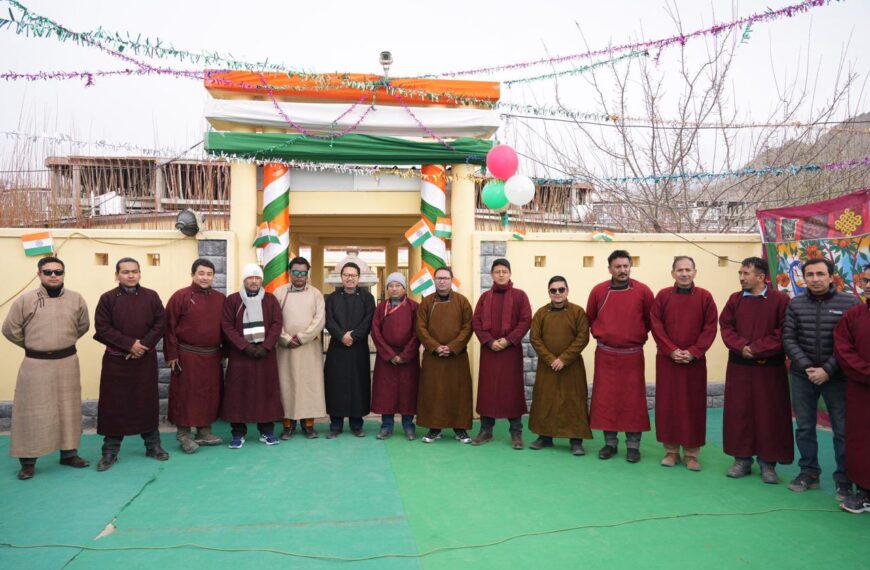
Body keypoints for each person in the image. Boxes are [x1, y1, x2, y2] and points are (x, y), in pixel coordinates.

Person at [2, 257, 90, 480]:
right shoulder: (24, 300)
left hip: (67, 362)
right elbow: (10, 329)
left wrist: (60, 343)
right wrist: (37, 346)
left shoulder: (76, 299)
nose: (53, 275)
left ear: (63, 274)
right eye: (48, 271)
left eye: (58, 272)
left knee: (68, 410)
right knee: (31, 412)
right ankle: (28, 462)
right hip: (35, 364)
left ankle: (69, 454)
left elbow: (83, 326)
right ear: (39, 274)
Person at [784, 257, 860, 500]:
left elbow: (850, 342)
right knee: (805, 427)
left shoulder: (850, 303)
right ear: (803, 278)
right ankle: (808, 472)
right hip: (802, 375)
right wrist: (807, 367)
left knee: (842, 429)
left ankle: (844, 480)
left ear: (831, 276)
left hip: (837, 377)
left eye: (820, 274)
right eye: (810, 275)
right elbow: (789, 338)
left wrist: (827, 369)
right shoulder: (795, 304)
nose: (815, 279)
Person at [719, 256, 793, 484]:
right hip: (740, 367)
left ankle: (768, 463)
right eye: (740, 273)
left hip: (769, 370)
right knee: (739, 413)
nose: (741, 278)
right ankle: (741, 460)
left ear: (761, 277)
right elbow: (726, 327)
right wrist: (742, 347)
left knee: (769, 414)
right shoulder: (734, 300)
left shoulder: (780, 300)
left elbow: (784, 331)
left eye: (745, 274)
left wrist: (757, 349)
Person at [93, 257, 168, 471]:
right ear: (117, 275)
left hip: (144, 360)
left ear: (140, 273)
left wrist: (141, 346)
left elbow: (161, 322)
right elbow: (103, 328)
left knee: (147, 403)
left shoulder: (151, 296)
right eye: (125, 272)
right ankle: (109, 452)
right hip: (116, 363)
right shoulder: (107, 299)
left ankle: (153, 446)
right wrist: (129, 345)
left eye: (134, 271)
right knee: (114, 406)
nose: (131, 275)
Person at [650, 256, 718, 471]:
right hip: (667, 362)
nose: (684, 274)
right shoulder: (662, 296)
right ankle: (670, 451)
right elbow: (656, 325)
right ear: (673, 273)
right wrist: (671, 350)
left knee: (693, 406)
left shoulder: (705, 297)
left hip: (694, 363)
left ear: (695, 272)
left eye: (688, 270)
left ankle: (691, 454)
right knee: (668, 406)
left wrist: (693, 352)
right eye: (680, 270)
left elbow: (710, 328)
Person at [586, 250, 654, 463]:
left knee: (633, 402)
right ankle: (610, 444)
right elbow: (590, 318)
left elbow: (650, 320)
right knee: (607, 400)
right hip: (606, 355)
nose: (622, 270)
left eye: (626, 266)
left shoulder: (643, 291)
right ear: (610, 269)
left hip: (632, 356)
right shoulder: (598, 291)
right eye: (618, 267)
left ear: (630, 267)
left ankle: (633, 446)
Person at [163, 258, 226, 454]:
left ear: (213, 276)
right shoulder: (180, 297)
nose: (205, 277)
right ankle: (184, 435)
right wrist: (172, 354)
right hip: (186, 356)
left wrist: (224, 353)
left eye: (209, 274)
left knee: (209, 394)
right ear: (193, 275)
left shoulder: (220, 299)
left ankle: (204, 432)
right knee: (185, 395)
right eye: (201, 273)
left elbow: (226, 328)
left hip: (212, 356)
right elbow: (169, 328)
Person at [220, 263, 284, 449]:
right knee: (238, 393)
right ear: (244, 280)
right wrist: (244, 347)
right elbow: (227, 326)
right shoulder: (233, 300)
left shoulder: (270, 300)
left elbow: (276, 324)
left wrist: (265, 346)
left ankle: (267, 431)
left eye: (257, 278)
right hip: (241, 355)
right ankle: (238, 433)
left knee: (266, 391)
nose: (254, 281)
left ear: (261, 280)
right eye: (250, 278)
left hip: (265, 355)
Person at [528, 276, 592, 456]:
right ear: (548, 292)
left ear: (567, 291)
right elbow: (535, 338)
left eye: (561, 289)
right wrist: (550, 359)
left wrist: (564, 358)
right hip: (547, 366)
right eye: (553, 290)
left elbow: (582, 337)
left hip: (571, 366)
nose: (557, 293)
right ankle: (544, 437)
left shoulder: (578, 312)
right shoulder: (541, 313)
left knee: (574, 401)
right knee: (545, 400)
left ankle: (576, 440)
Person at [472, 258, 532, 449]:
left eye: (504, 271)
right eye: (497, 271)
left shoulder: (520, 296)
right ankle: (486, 430)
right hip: (489, 351)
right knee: (487, 391)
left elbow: (525, 320)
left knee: (511, 391)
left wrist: (508, 340)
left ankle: (516, 433)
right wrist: (489, 341)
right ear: (491, 274)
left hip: (510, 351)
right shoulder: (484, 298)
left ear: (510, 274)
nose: (500, 274)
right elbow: (476, 322)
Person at [416, 266, 474, 444]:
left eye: (445, 278)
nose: (442, 281)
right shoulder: (426, 302)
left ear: (451, 280)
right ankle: (434, 428)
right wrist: (435, 346)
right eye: (438, 278)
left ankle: (460, 428)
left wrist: (452, 346)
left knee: (459, 392)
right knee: (434, 392)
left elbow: (468, 327)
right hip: (433, 357)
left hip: (457, 356)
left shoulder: (462, 302)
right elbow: (421, 328)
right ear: (434, 280)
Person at [274, 257, 327, 440]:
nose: (299, 276)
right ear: (290, 272)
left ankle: (309, 425)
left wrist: (302, 337)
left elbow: (319, 320)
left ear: (308, 273)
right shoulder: (279, 293)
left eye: (303, 273)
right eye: (295, 272)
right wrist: (286, 338)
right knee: (286, 384)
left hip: (308, 348)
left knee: (309, 385)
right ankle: (288, 425)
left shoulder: (316, 294)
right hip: (285, 348)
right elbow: (274, 320)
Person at [323, 262, 375, 438]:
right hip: (337, 348)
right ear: (341, 277)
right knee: (335, 385)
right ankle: (335, 425)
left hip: (358, 349)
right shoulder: (331, 298)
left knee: (357, 385)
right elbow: (329, 320)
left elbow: (369, 320)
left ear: (359, 278)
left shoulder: (367, 298)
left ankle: (356, 425)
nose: (350, 278)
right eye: (346, 275)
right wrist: (341, 336)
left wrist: (353, 336)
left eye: (353, 275)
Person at [834, 264, 870, 514]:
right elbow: (844, 350)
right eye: (866, 280)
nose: (868, 285)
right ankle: (864, 492)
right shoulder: (854, 316)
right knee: (861, 440)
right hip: (861, 391)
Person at [371, 272, 420, 440]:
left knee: (408, 391)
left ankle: (408, 425)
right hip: (386, 357)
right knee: (386, 392)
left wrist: (405, 354)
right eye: (391, 286)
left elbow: (417, 333)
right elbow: (375, 332)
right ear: (387, 288)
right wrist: (390, 354)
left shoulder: (414, 307)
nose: (394, 289)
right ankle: (386, 426)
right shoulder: (381, 307)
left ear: (405, 288)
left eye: (398, 285)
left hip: (408, 357)